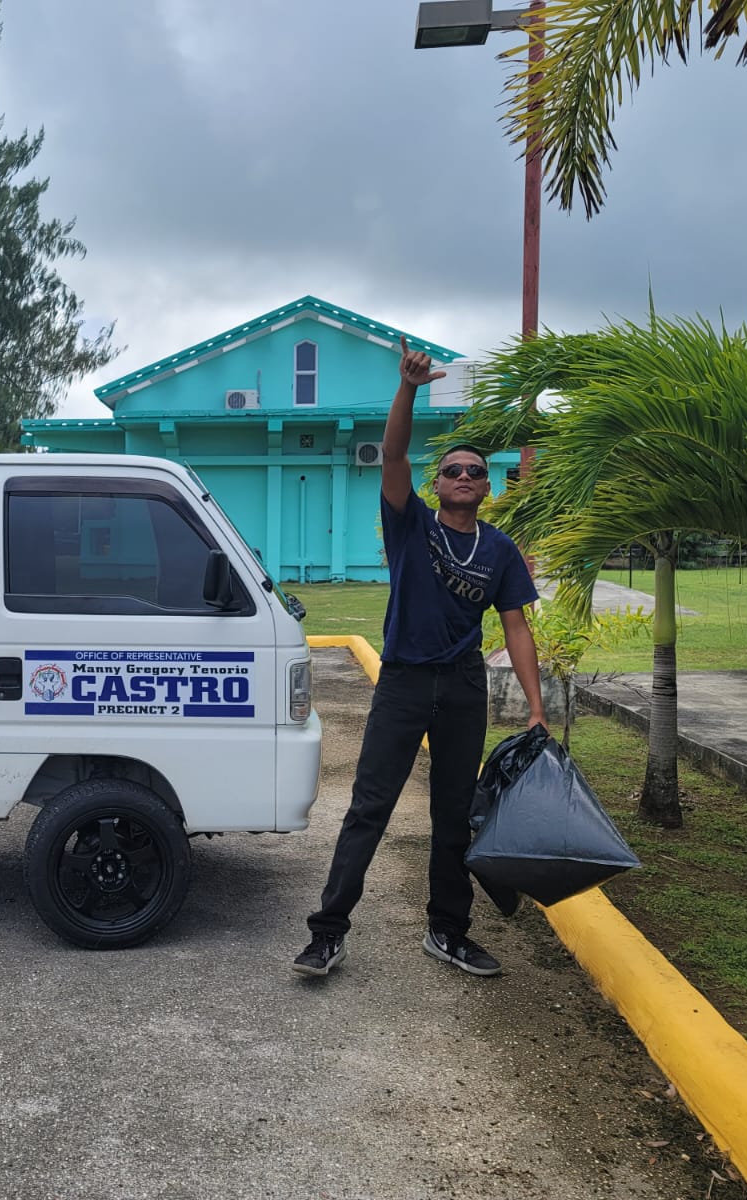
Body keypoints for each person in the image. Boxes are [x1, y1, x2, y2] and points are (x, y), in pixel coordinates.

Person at [294, 337, 546, 980]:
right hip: (404, 683)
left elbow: (515, 627)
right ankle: (327, 933)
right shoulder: (412, 526)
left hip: (463, 688)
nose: (463, 477)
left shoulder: (501, 551)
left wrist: (536, 710)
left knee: (454, 815)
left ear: (488, 487)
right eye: (452, 471)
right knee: (368, 808)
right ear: (437, 485)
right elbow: (396, 452)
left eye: (474, 472)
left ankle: (448, 931)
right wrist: (409, 387)